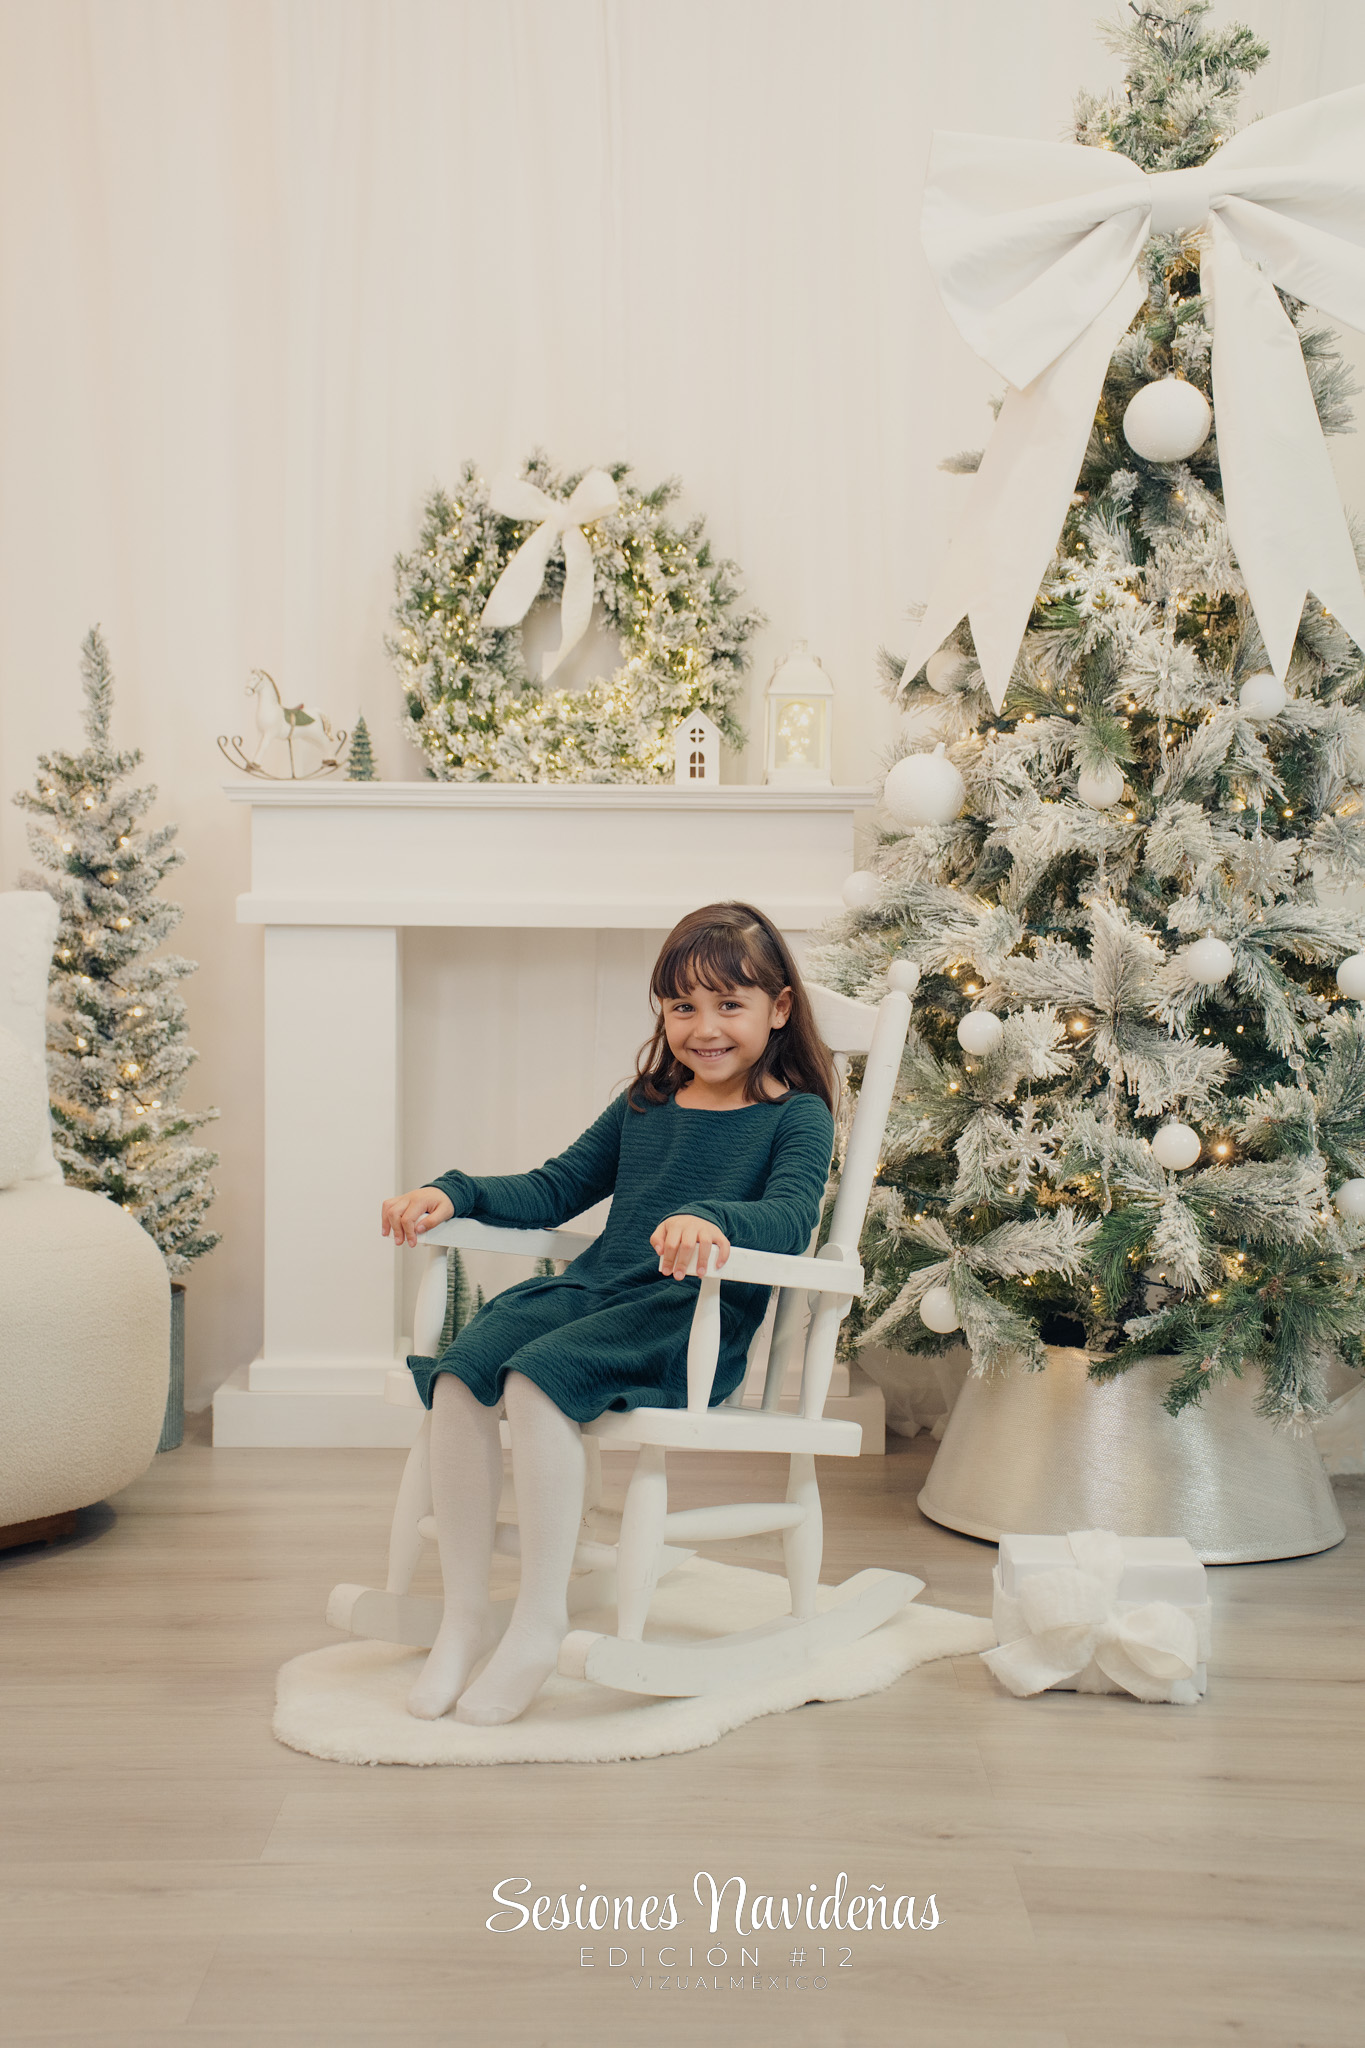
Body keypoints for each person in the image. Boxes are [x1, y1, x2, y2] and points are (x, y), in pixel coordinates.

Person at [381, 901, 836, 1726]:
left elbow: (792, 1216)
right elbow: (555, 1187)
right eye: (682, 1006)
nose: (705, 1028)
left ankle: (537, 1618)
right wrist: (456, 1192)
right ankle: (464, 1612)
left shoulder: (793, 1115)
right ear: (661, 1013)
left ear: (778, 1009)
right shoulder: (646, 1103)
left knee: (536, 1379)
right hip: (593, 1293)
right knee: (460, 1374)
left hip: (682, 1316)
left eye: (730, 1005)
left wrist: (716, 1220)